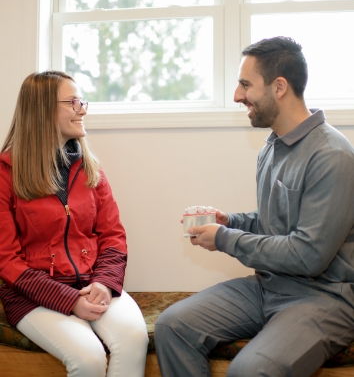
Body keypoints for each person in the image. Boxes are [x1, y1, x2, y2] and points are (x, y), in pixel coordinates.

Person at [154, 36, 354, 377]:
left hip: (323, 299)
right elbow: (275, 223)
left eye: (246, 84)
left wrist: (225, 238)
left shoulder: (331, 156)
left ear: (279, 87)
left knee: (249, 370)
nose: (237, 96)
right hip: (268, 287)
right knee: (172, 326)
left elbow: (308, 254)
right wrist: (229, 220)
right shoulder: (272, 146)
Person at [0, 70, 148, 377]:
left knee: (135, 338)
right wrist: (68, 301)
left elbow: (113, 237)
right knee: (89, 358)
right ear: (42, 110)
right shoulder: (5, 174)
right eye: (73, 102)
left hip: (94, 284)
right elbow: (6, 261)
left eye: (82, 101)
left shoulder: (91, 169)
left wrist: (105, 284)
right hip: (32, 297)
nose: (82, 109)